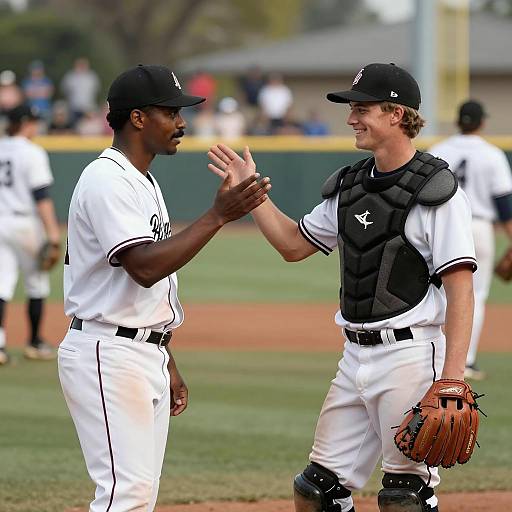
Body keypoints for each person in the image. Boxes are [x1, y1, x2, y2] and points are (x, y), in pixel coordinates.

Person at [208, 63, 476, 512]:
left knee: (403, 496)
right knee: (317, 491)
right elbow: (294, 245)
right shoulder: (350, 186)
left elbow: (461, 291)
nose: (351, 118)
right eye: (351, 108)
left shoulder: (437, 191)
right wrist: (252, 193)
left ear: (395, 113)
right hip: (354, 357)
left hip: (411, 356)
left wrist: (452, 379)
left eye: (361, 108)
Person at [57, 64, 270, 512]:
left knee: (138, 496)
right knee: (125, 496)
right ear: (137, 118)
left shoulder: (142, 179)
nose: (181, 123)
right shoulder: (107, 179)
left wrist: (163, 353)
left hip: (138, 350)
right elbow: (143, 267)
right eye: (171, 112)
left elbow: (145, 287)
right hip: (107, 353)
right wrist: (218, 216)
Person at [429, 100, 512, 380]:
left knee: (437, 293)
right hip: (478, 227)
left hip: (438, 225)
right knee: (474, 295)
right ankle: (468, 360)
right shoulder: (492, 155)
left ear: (457, 121)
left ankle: (435, 356)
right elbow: (504, 207)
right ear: (482, 122)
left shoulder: (438, 151)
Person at [0, 104, 61, 365]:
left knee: (2, 285)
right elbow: (41, 196)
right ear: (25, 123)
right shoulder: (32, 152)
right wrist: (53, 233)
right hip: (25, 225)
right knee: (36, 283)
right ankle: (34, 342)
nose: (36, 127)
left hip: (1, 221)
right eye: (34, 122)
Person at [60, 57, 100, 127]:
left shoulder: (91, 77)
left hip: (88, 107)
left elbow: (95, 90)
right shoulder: (70, 76)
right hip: (74, 106)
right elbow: (65, 89)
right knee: (74, 125)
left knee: (87, 126)